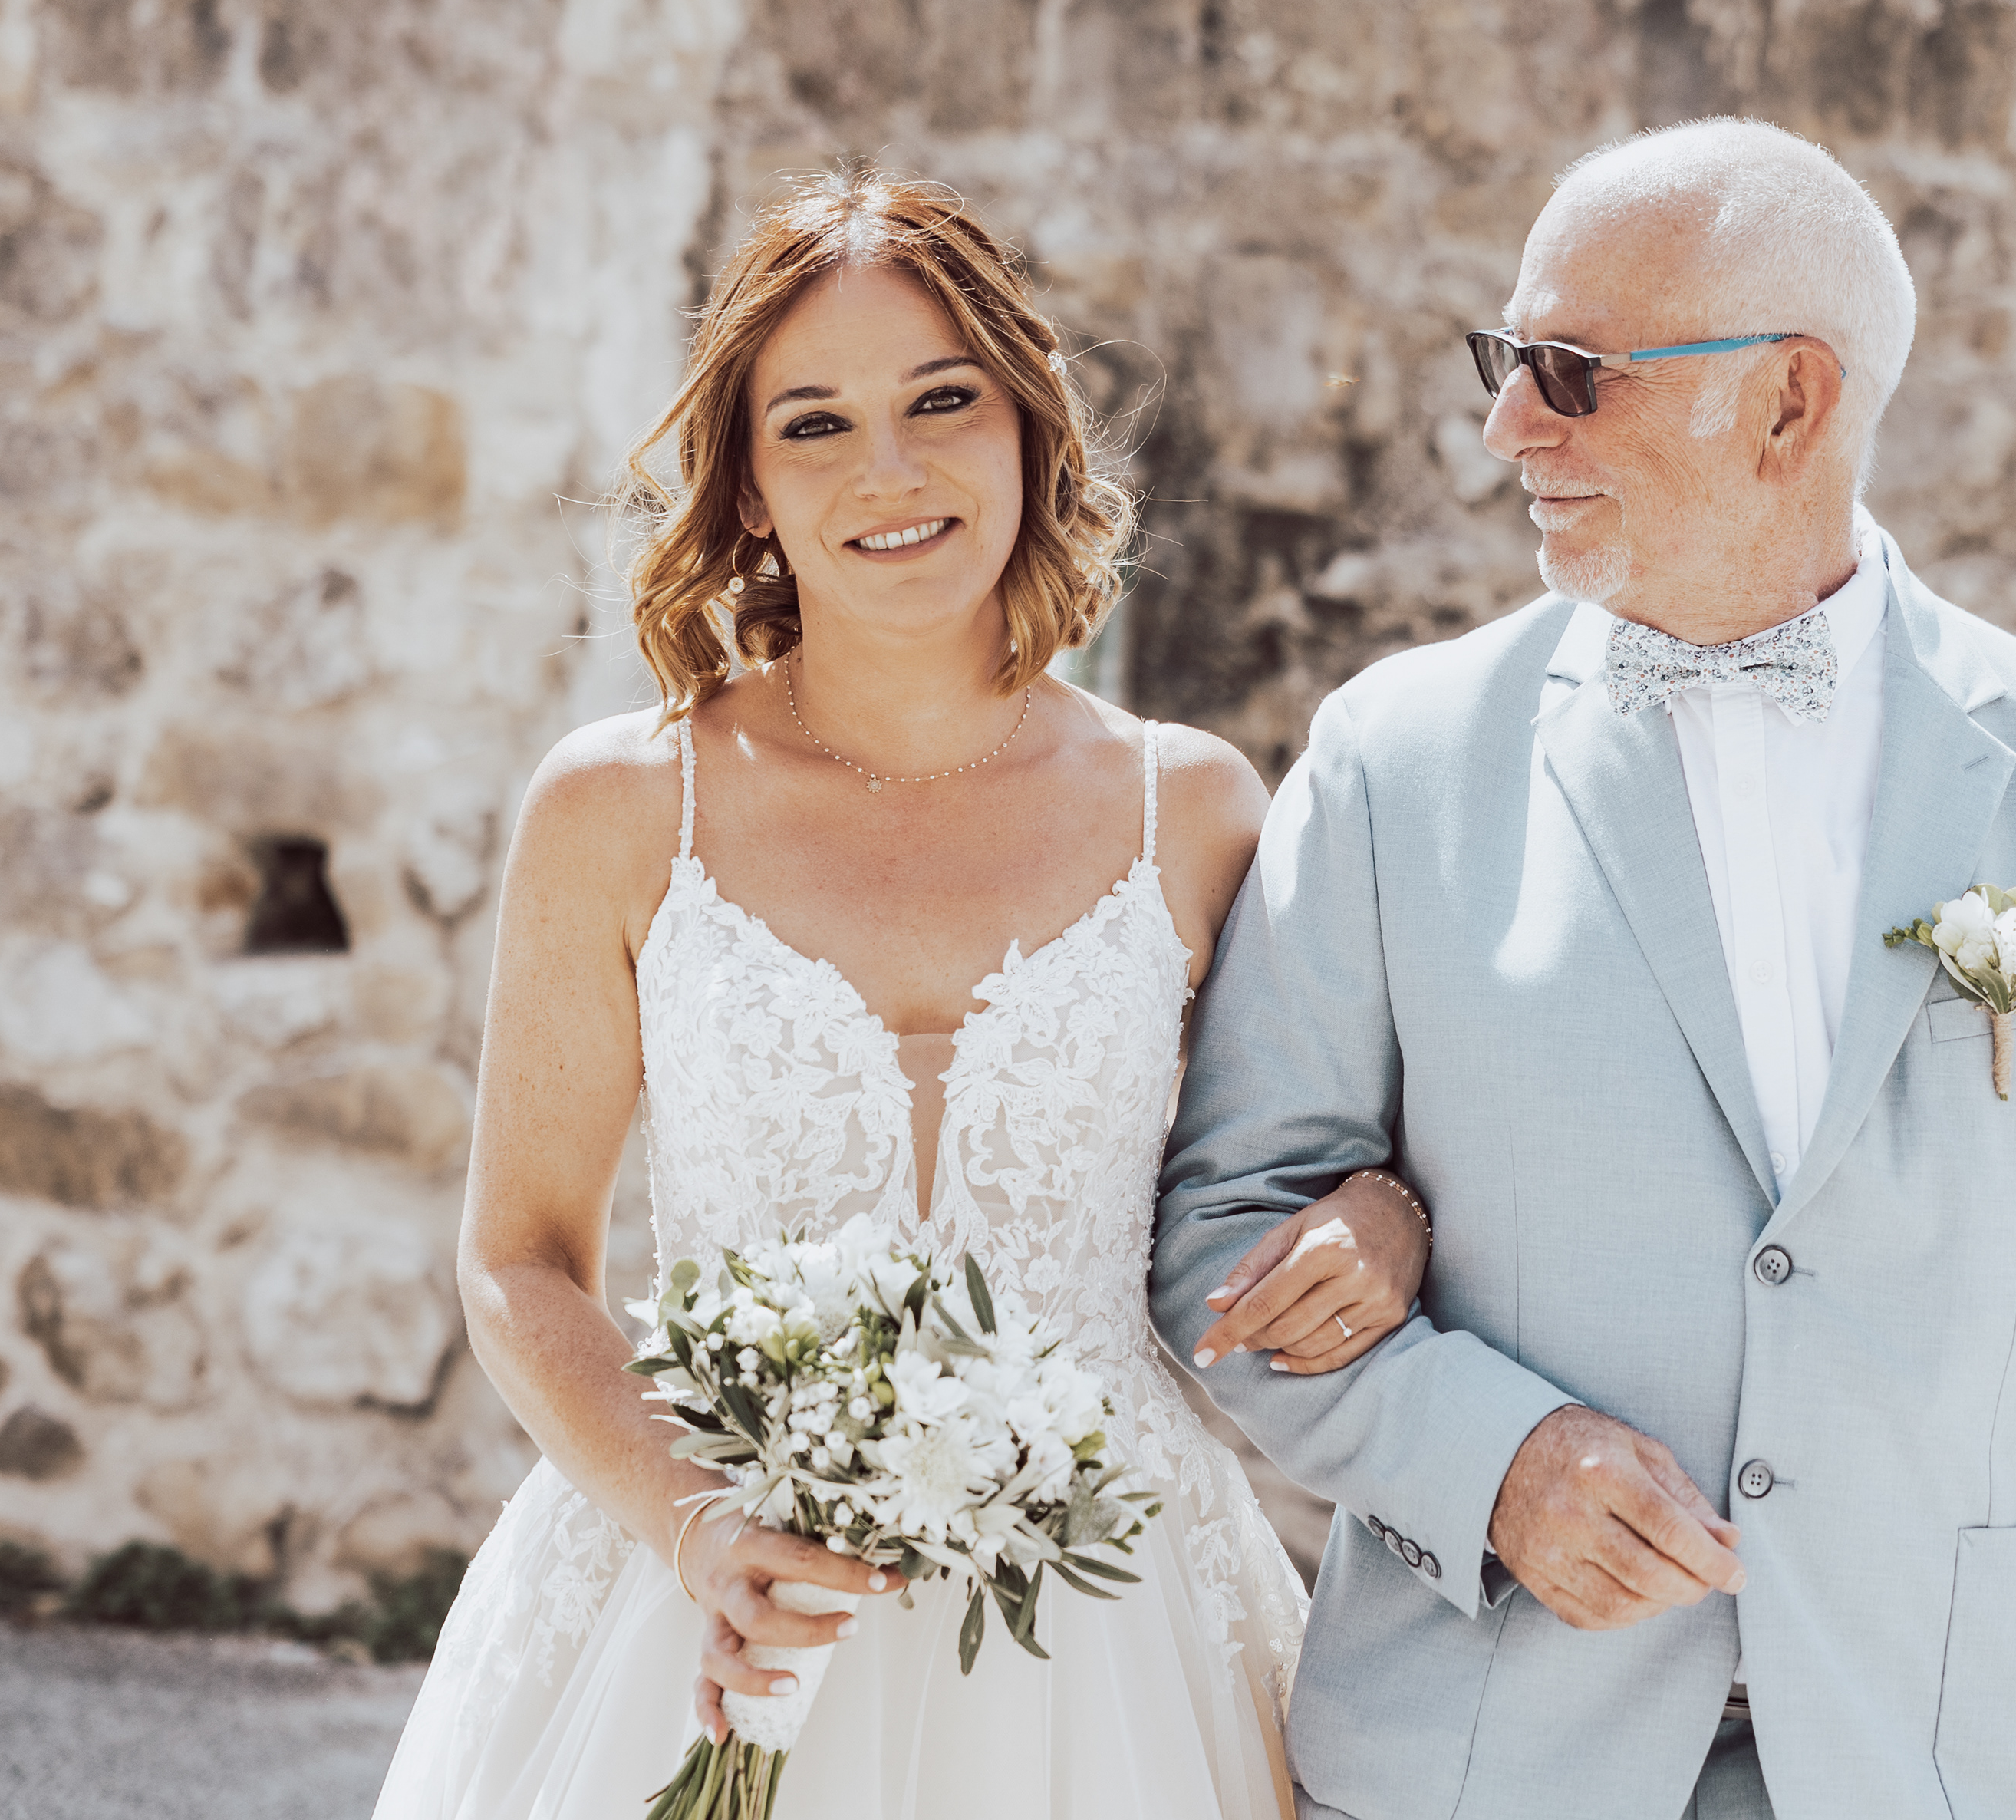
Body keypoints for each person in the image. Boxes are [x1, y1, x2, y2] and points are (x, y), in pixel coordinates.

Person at [1155, 117, 2016, 1820]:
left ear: (1791, 400)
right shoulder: (1393, 762)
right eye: (1506, 361)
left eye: (1573, 373)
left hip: (1941, 1764)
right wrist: (1488, 1462)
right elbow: (1223, 1231)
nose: (1507, 427)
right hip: (1489, 1764)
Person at [374, 169, 1431, 1820]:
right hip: (705, 1586)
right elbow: (520, 1258)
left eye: (944, 400)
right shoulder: (621, 808)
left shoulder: (1193, 810)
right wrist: (697, 1527)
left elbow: (1341, 1158)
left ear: (1028, 426)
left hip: (1111, 1621)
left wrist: (1386, 1215)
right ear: (748, 486)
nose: (892, 470)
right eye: (817, 424)